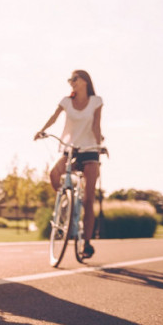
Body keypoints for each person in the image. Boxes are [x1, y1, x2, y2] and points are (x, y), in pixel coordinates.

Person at [34, 70, 104, 259]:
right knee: (54, 174)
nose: (71, 82)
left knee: (89, 199)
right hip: (70, 149)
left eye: (75, 79)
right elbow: (54, 117)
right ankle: (67, 202)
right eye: (70, 80)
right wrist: (42, 130)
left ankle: (87, 244)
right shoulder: (66, 101)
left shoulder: (96, 101)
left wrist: (99, 146)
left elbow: (96, 125)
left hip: (90, 150)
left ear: (85, 81)